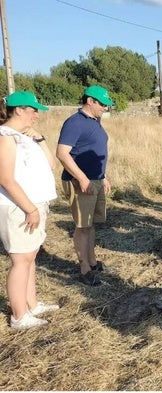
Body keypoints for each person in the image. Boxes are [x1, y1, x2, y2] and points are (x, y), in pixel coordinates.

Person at [0, 91, 59, 329]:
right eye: (33, 110)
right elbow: (6, 179)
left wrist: (41, 140)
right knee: (20, 260)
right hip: (19, 208)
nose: (36, 115)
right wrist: (30, 209)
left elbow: (52, 164)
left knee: (30, 258)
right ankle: (19, 315)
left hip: (33, 204)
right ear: (19, 110)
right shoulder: (5, 137)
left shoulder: (23, 136)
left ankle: (31, 305)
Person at [56, 85, 114, 286]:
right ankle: (84, 269)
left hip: (96, 179)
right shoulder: (74, 123)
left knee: (90, 224)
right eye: (103, 104)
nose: (105, 108)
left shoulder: (95, 121)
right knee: (82, 225)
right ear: (90, 101)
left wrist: (103, 176)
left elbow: (94, 149)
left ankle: (92, 260)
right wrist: (82, 179)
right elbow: (62, 153)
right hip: (82, 182)